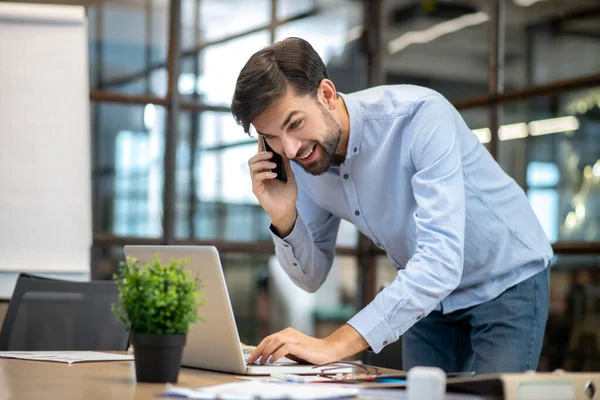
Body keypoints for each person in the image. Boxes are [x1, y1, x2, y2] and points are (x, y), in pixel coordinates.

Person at [231, 37, 553, 374]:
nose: (292, 149)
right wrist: (283, 215)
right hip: (429, 296)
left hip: (504, 276)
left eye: (295, 124)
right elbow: (310, 278)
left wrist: (332, 345)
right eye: (272, 137)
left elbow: (441, 261)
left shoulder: (420, 116)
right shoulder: (303, 159)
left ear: (326, 94)